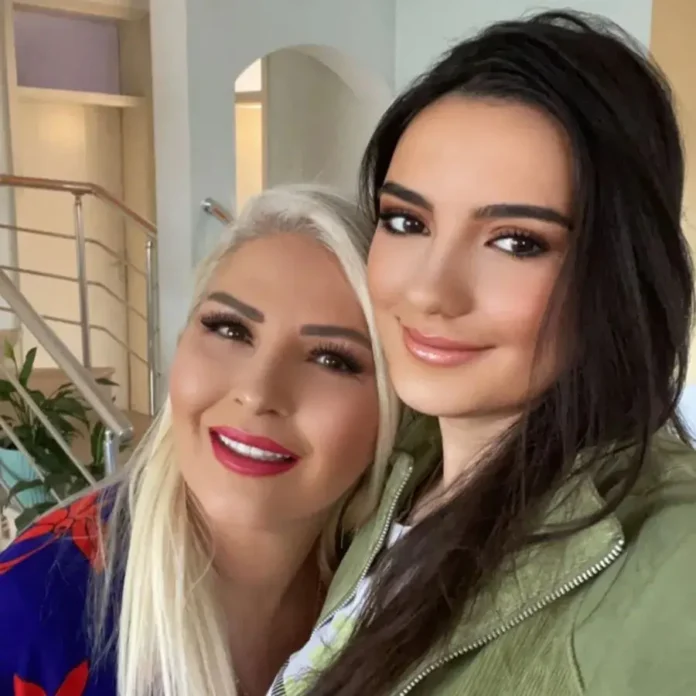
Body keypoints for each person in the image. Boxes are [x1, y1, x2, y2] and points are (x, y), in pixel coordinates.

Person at [270, 11, 696, 696]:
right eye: (406, 221)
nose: (430, 291)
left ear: (620, 271)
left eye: (516, 242)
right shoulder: (400, 470)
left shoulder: (671, 563)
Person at [0, 185, 403, 696]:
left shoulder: (406, 593)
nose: (258, 392)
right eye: (230, 330)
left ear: (395, 404)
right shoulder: (28, 610)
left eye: (332, 359)